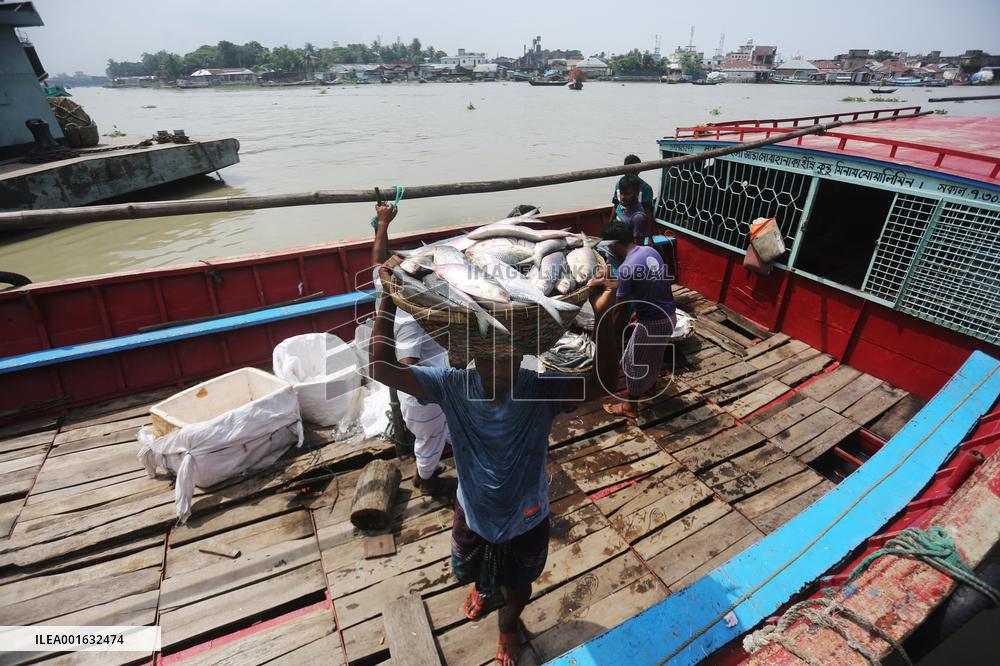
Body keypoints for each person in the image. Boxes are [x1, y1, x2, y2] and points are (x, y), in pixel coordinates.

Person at [369, 258, 618, 666]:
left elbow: (605, 381)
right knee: (467, 572)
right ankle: (484, 590)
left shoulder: (540, 390)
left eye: (507, 356)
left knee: (519, 585)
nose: (497, 366)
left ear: (522, 355)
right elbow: (380, 367)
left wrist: (606, 313)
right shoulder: (452, 385)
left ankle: (509, 626)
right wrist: (389, 296)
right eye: (487, 356)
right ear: (470, 354)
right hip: (473, 512)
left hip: (528, 517)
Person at [371, 202, 451, 495]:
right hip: (425, 394)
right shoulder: (410, 314)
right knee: (429, 442)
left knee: (431, 440)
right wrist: (431, 394)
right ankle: (426, 482)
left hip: (426, 389)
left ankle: (424, 471)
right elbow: (408, 362)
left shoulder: (390, 290)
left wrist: (383, 224)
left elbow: (378, 265)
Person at [600, 220, 677, 421]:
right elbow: (655, 283)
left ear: (614, 244)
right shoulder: (650, 251)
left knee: (633, 362)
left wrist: (614, 335)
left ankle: (630, 406)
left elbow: (620, 310)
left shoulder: (626, 268)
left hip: (653, 324)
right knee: (653, 356)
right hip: (670, 315)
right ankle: (650, 387)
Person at [611, 154, 655, 245]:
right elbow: (615, 205)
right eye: (627, 171)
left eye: (632, 171)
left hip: (636, 221)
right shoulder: (619, 184)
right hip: (621, 219)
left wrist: (650, 237)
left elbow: (649, 213)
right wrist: (609, 224)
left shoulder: (646, 188)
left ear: (639, 171)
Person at [614, 174, 653, 248]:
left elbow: (637, 247)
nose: (622, 197)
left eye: (627, 194)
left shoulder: (638, 217)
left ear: (637, 193)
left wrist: (650, 237)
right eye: (621, 193)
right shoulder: (625, 208)